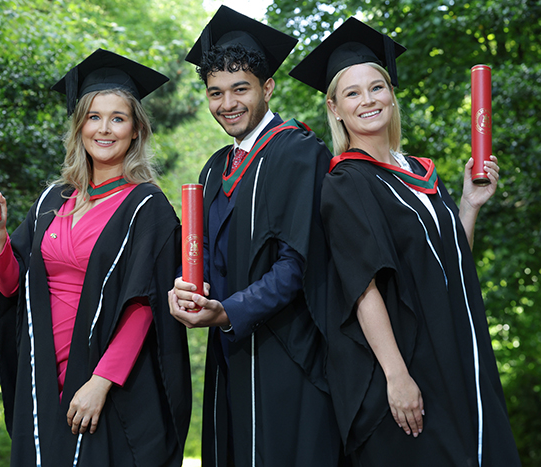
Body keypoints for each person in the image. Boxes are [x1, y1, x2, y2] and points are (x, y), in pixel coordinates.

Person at [290, 17, 521, 467]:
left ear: (392, 96)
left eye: (377, 87)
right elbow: (362, 286)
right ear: (335, 108)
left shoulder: (420, 173)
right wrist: (397, 376)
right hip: (410, 362)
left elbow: (451, 265)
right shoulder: (346, 181)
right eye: (352, 93)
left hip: (459, 350)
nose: (368, 100)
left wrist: (469, 206)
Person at [0, 49, 191, 467]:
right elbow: (12, 286)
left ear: (135, 131)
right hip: (41, 375)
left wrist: (101, 381)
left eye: (118, 118)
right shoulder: (52, 201)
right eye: (94, 117)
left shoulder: (147, 206)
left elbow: (144, 304)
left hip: (103, 377)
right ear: (79, 126)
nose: (104, 129)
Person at [168, 6, 344, 467]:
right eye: (215, 93)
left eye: (240, 89)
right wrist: (187, 291)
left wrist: (228, 311)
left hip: (291, 352)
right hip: (231, 354)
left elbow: (299, 263)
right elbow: (201, 253)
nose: (227, 104)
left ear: (267, 88)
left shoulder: (301, 153)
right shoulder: (213, 168)